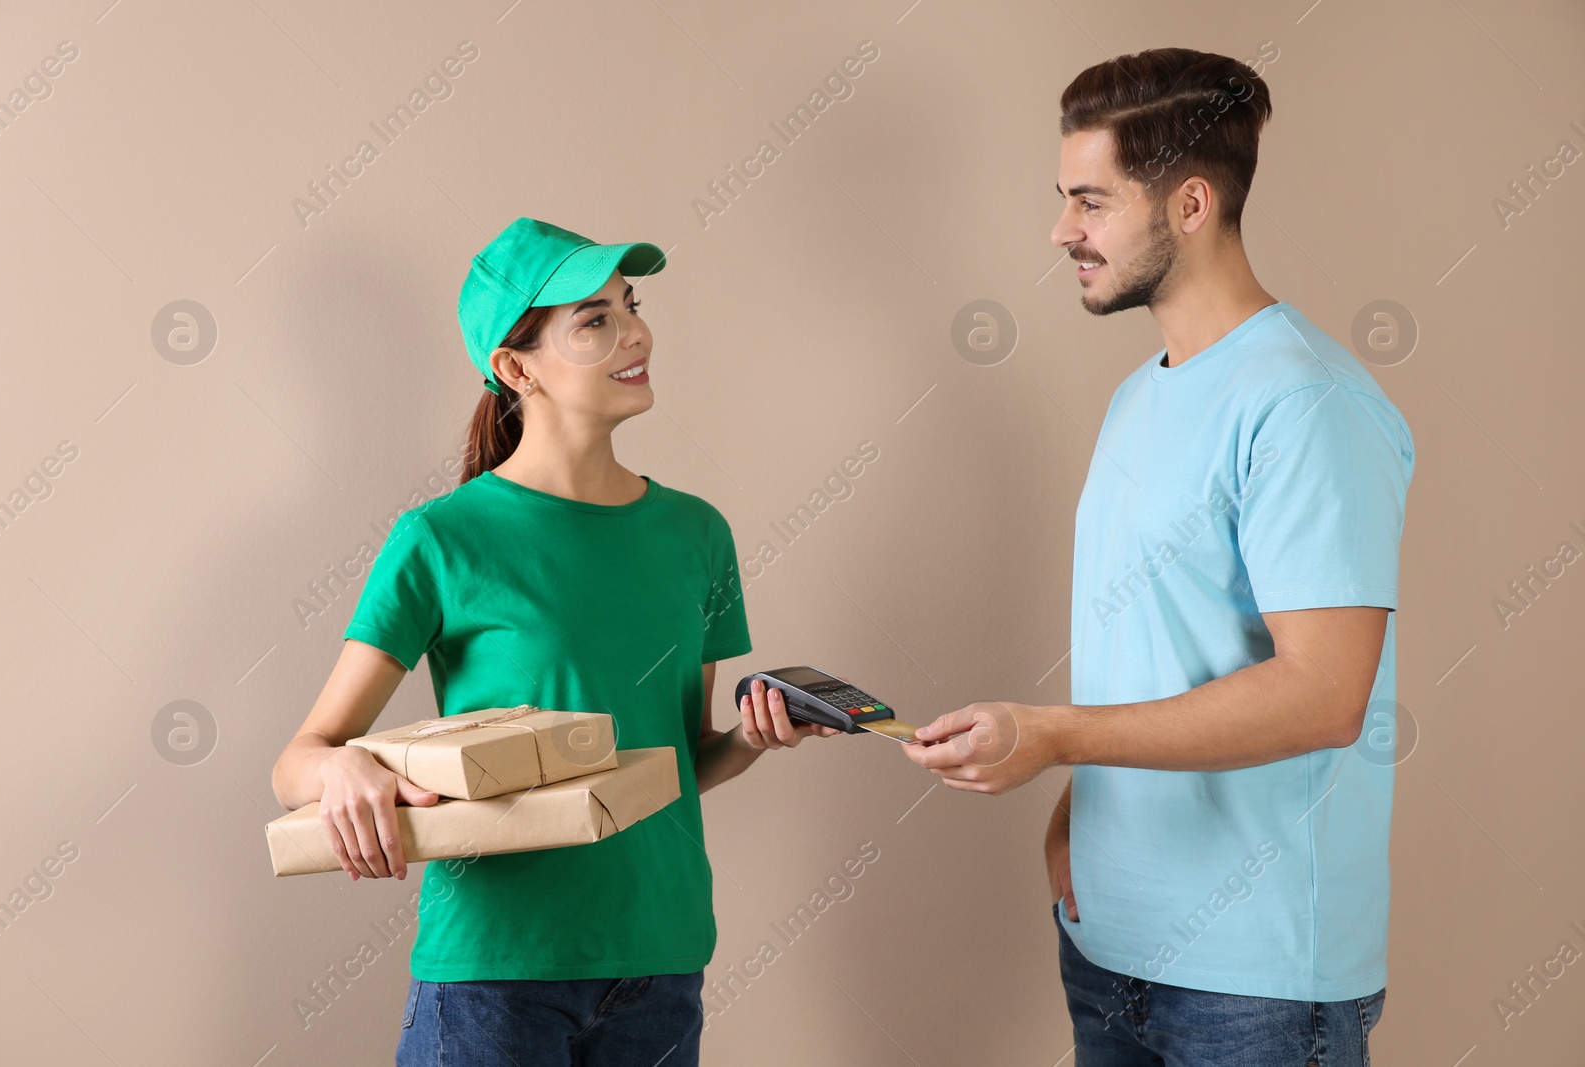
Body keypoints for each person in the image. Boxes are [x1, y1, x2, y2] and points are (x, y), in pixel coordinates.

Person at [904, 48, 1413, 1065]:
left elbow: (1324, 694)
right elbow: (1162, 647)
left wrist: (1053, 734)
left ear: (1188, 203)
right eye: (1063, 200)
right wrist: (1073, 802)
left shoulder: (1306, 402)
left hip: (1253, 982)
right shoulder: (1143, 394)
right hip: (1108, 943)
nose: (1061, 232)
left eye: (1089, 202)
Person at [270, 217, 835, 1067]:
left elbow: (679, 762)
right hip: (496, 975)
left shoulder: (696, 535)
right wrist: (346, 767)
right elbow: (296, 763)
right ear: (515, 366)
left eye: (629, 306)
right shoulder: (441, 539)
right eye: (595, 319)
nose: (634, 332)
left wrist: (750, 740)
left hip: (661, 962)